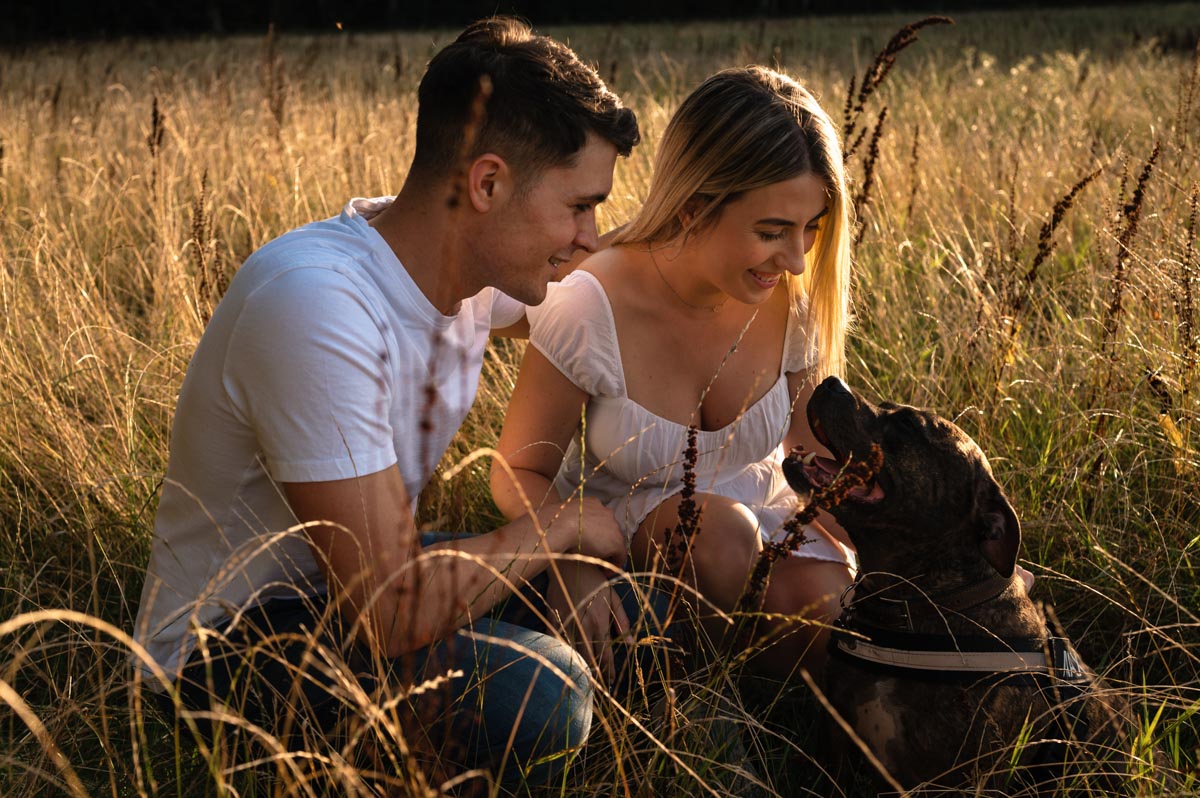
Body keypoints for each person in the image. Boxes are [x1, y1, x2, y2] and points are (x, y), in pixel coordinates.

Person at [132, 16, 642, 787]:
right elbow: (390, 611)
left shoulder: (452, 259)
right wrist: (558, 527)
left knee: (636, 614)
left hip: (356, 587)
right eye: (578, 207)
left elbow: (613, 276)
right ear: (488, 184)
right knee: (548, 696)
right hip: (230, 648)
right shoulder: (316, 306)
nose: (588, 235)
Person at [491, 66, 858, 680]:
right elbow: (517, 469)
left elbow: (812, 452)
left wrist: (920, 545)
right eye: (771, 232)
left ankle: (754, 704)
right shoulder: (591, 302)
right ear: (694, 209)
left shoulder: (788, 295)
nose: (796, 259)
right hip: (633, 533)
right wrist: (569, 556)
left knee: (829, 604)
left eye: (809, 231)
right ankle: (696, 708)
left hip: (764, 513)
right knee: (718, 538)